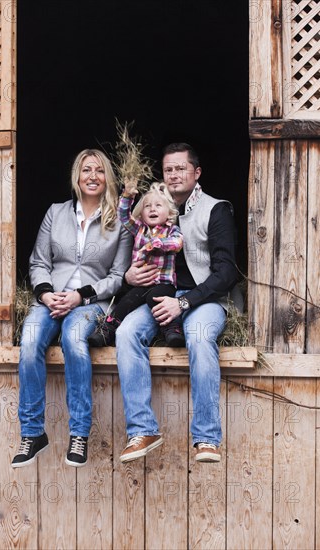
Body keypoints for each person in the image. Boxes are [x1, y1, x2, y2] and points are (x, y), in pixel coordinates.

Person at [115, 143, 238, 463]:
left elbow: (226, 273)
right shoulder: (155, 209)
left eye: (181, 168)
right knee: (127, 331)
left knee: (198, 336)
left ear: (196, 173)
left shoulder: (216, 209)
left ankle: (207, 438)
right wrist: (131, 275)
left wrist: (183, 305)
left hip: (206, 298)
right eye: (168, 169)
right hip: (161, 295)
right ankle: (142, 429)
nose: (173, 174)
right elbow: (127, 229)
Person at [11, 149, 132, 468]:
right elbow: (39, 261)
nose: (93, 176)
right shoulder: (56, 212)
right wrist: (46, 293)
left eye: (99, 170)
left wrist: (81, 296)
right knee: (30, 338)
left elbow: (118, 276)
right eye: (86, 169)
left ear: (108, 178)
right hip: (52, 299)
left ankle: (79, 433)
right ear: (76, 178)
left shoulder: (119, 223)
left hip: (91, 302)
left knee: (74, 340)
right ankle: (33, 432)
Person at [88, 179, 184, 348]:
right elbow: (123, 217)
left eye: (158, 205)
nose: (152, 209)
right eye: (148, 206)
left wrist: (157, 243)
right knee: (125, 302)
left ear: (169, 212)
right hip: (141, 284)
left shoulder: (171, 230)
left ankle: (171, 329)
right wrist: (127, 195)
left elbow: (177, 243)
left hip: (163, 282)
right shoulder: (139, 229)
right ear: (142, 212)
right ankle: (107, 330)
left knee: (156, 299)